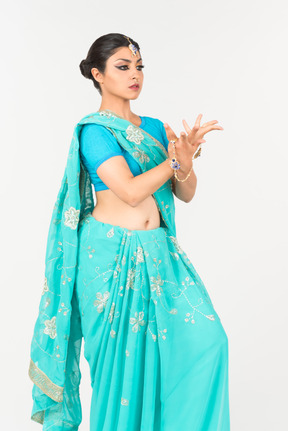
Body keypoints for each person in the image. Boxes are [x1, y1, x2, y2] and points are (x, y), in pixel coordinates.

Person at [28, 33, 230, 431]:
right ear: (97, 74)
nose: (135, 74)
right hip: (109, 259)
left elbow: (185, 193)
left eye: (139, 66)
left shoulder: (154, 127)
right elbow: (131, 191)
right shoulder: (94, 132)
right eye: (123, 67)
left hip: (160, 253)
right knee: (123, 373)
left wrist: (185, 162)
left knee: (210, 343)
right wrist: (172, 161)